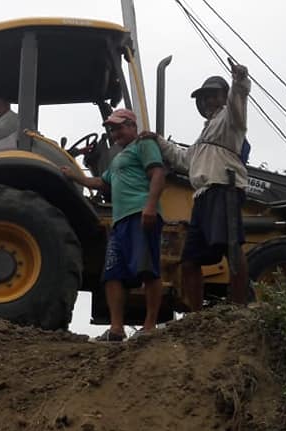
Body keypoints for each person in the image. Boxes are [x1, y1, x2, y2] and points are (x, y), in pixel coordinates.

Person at [141, 60, 251, 310]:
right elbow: (183, 160)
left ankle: (240, 307)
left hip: (224, 187)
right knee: (190, 260)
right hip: (202, 196)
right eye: (205, 97)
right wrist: (158, 140)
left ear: (223, 97)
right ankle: (198, 315)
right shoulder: (204, 135)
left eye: (214, 95)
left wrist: (240, 80)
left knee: (232, 247)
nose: (209, 101)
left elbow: (239, 97)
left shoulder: (230, 120)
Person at [61, 108, 167, 342]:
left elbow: (158, 174)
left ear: (132, 125)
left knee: (148, 269)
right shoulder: (118, 158)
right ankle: (116, 329)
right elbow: (101, 182)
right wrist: (74, 176)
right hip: (120, 221)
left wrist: (150, 206)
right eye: (112, 129)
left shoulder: (144, 144)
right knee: (112, 274)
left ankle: (150, 326)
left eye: (119, 128)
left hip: (140, 213)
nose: (115, 133)